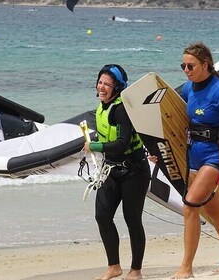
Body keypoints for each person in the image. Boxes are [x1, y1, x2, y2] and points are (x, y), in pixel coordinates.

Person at [152, 42, 219, 278]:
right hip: (193, 155)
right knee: (214, 212)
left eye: (190, 65)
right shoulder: (188, 89)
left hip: (215, 156)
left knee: (190, 205)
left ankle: (186, 268)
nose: (186, 69)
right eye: (183, 65)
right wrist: (156, 149)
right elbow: (171, 117)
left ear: (205, 65)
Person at [83, 64, 151, 280]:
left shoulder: (121, 110)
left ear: (118, 88)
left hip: (134, 171)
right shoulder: (102, 107)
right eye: (100, 82)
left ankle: (136, 270)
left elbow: (122, 143)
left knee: (132, 220)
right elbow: (108, 139)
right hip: (111, 170)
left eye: (108, 84)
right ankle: (114, 267)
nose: (102, 87)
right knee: (102, 216)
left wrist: (94, 147)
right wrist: (95, 142)